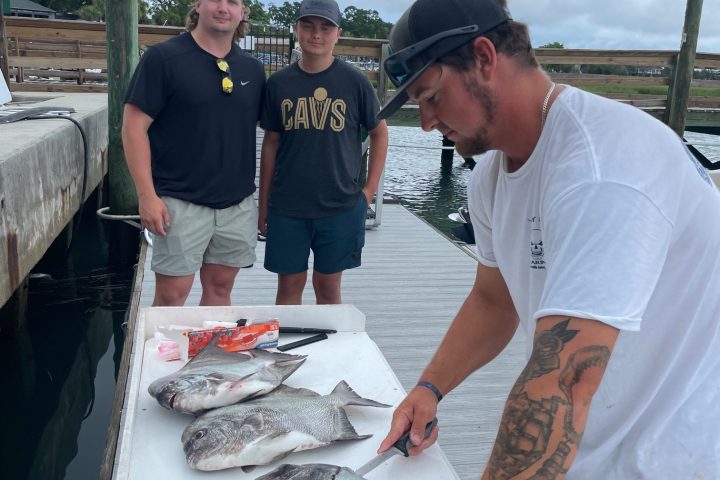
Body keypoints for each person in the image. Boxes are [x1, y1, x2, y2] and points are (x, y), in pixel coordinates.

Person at [375, 0, 720, 478]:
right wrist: (429, 389)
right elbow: (494, 300)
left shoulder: (602, 171)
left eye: (430, 96)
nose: (428, 121)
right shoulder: (490, 177)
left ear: (483, 57)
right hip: (586, 446)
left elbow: (565, 379)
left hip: (672, 454)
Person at [122, 0, 265, 307]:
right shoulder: (163, 58)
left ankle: (210, 354)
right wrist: (147, 196)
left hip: (236, 203)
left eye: (233, 2)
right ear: (198, 5)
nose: (223, 7)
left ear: (242, 13)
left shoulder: (253, 69)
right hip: (179, 201)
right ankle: (166, 354)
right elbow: (133, 127)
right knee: (173, 295)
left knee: (220, 288)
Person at [258, 0, 388, 305]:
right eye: (308, 26)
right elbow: (271, 143)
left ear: (338, 33)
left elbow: (379, 133)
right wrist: (263, 205)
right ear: (296, 29)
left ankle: (330, 351)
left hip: (340, 206)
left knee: (328, 287)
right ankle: (287, 349)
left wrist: (368, 191)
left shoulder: (355, 82)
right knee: (289, 286)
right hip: (288, 206)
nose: (316, 34)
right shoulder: (278, 84)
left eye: (326, 27)